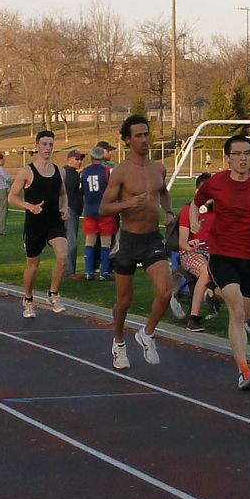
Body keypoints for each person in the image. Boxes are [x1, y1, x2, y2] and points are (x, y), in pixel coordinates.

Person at [189, 135, 250, 390]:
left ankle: (214, 293)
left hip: (249, 256)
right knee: (236, 312)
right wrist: (193, 220)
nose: (244, 158)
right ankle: (244, 371)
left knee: (245, 312)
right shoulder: (216, 183)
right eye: (238, 154)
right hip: (222, 254)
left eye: (247, 153)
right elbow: (195, 203)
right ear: (229, 158)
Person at [97, 115, 172, 370]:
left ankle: (146, 334)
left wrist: (169, 212)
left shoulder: (158, 168)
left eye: (146, 134)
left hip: (151, 238)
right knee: (125, 301)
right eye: (138, 135)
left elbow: (163, 191)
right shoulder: (120, 171)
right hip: (128, 240)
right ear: (127, 140)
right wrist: (128, 203)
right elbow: (104, 208)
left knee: (165, 291)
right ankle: (118, 343)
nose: (144, 140)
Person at [9, 131, 69, 317]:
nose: (48, 148)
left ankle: (53, 294)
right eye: (44, 144)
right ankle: (28, 299)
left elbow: (63, 194)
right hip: (35, 224)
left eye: (50, 144)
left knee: (63, 256)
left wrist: (65, 207)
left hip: (54, 221)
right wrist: (30, 206)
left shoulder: (60, 171)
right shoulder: (27, 171)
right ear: (37, 146)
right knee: (33, 266)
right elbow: (12, 197)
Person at [177, 172, 216, 332]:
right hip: (192, 252)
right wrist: (189, 244)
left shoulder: (219, 210)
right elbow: (182, 241)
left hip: (214, 251)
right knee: (206, 271)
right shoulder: (188, 210)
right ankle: (194, 317)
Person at [79, 142, 116, 280]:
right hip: (105, 211)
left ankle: (89, 271)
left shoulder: (84, 172)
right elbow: (113, 189)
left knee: (90, 241)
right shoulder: (107, 171)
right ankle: (104, 272)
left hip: (89, 210)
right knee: (105, 242)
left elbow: (81, 190)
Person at [61, 149, 86, 279]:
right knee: (71, 241)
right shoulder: (71, 174)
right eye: (77, 159)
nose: (80, 161)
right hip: (70, 210)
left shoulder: (66, 172)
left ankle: (64, 269)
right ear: (69, 159)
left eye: (81, 159)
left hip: (67, 209)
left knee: (65, 241)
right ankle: (69, 271)